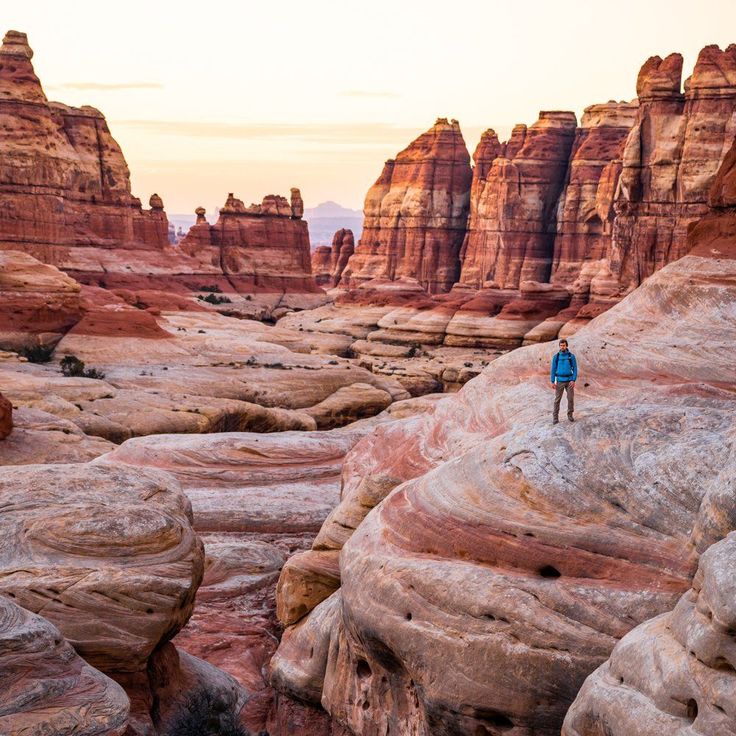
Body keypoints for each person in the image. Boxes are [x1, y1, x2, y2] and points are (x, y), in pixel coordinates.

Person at [550, 339, 577, 424]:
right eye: (561, 345)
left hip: (569, 381)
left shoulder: (571, 356)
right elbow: (553, 369)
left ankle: (570, 415)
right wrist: (552, 381)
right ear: (559, 346)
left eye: (564, 345)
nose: (562, 347)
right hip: (560, 381)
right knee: (557, 400)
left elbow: (575, 368)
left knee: (570, 399)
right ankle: (555, 417)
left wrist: (573, 379)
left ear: (566, 346)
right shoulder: (556, 357)